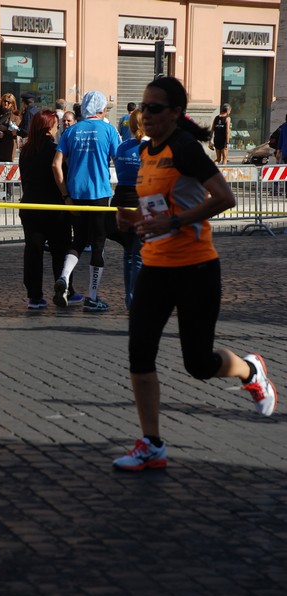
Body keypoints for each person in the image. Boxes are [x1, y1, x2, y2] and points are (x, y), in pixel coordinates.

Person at [112, 77, 277, 471]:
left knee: (198, 363)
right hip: (155, 266)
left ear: (174, 113)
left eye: (154, 109)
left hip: (196, 268)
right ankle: (151, 444)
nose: (145, 116)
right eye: (142, 108)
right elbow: (157, 210)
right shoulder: (144, 151)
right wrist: (132, 219)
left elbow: (225, 197)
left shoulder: (185, 149)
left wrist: (175, 222)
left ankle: (251, 369)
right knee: (139, 353)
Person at [52, 90, 120, 312]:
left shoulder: (71, 131)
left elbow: (56, 165)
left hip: (75, 194)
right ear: (101, 109)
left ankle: (64, 277)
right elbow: (119, 161)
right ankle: (92, 297)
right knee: (98, 244)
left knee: (78, 240)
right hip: (99, 194)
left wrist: (65, 195)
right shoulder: (109, 130)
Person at [19, 110, 83, 309]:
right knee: (61, 251)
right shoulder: (56, 151)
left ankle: (34, 296)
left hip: (30, 208)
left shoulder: (25, 151)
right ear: (48, 129)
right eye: (56, 126)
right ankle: (66, 289)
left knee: (33, 253)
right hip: (55, 209)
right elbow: (62, 177)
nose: (58, 129)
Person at [107, 109, 146, 309]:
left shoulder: (122, 148)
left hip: (121, 199)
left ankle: (130, 299)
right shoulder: (149, 148)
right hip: (139, 201)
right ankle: (135, 300)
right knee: (138, 254)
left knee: (128, 253)